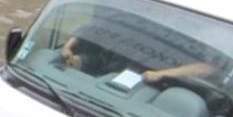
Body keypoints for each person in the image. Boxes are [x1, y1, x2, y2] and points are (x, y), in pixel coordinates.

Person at [59, 35, 215, 82]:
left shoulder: (193, 34)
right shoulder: (126, 9)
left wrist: (162, 74)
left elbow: (206, 68)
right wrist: (68, 47)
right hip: (106, 71)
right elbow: (89, 29)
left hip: (148, 82)